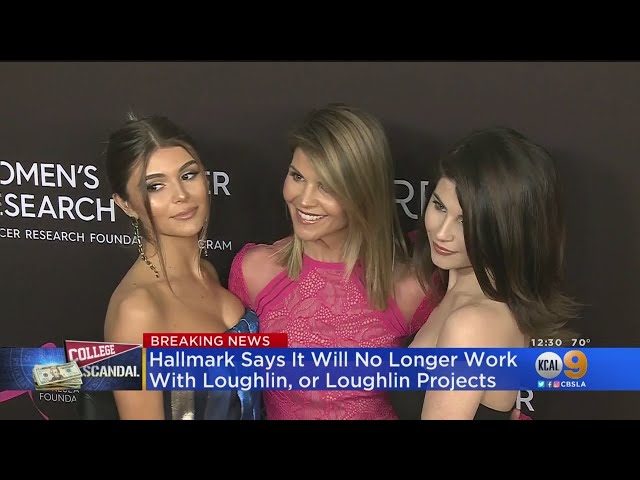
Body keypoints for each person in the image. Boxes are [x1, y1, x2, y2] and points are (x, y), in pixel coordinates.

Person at [228, 103, 438, 420]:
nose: (304, 199)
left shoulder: (412, 288)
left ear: (363, 194)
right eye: (297, 176)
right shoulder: (254, 271)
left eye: (326, 186)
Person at [390, 126, 579, 420]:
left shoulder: (471, 325)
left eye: (465, 221)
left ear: (505, 230)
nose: (441, 232)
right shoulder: (460, 292)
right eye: (439, 206)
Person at [102, 113, 260, 420]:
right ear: (125, 204)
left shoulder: (207, 272)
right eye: (155, 186)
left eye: (188, 175)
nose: (181, 196)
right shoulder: (137, 311)